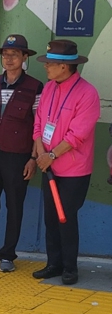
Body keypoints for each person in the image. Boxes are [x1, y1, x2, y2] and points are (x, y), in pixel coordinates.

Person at [0, 34, 43, 273]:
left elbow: (38, 126)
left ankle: (8, 255)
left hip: (18, 155)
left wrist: (33, 158)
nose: (9, 58)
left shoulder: (35, 86)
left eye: (14, 54)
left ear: (24, 57)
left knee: (15, 206)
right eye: (5, 54)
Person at [32, 40, 100, 286]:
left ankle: (70, 268)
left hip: (73, 169)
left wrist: (50, 156)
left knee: (66, 217)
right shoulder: (49, 88)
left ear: (65, 67)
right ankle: (54, 264)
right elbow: (39, 121)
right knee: (51, 217)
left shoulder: (87, 93)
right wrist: (41, 152)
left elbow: (77, 135)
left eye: (50, 63)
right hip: (47, 163)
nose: (46, 67)